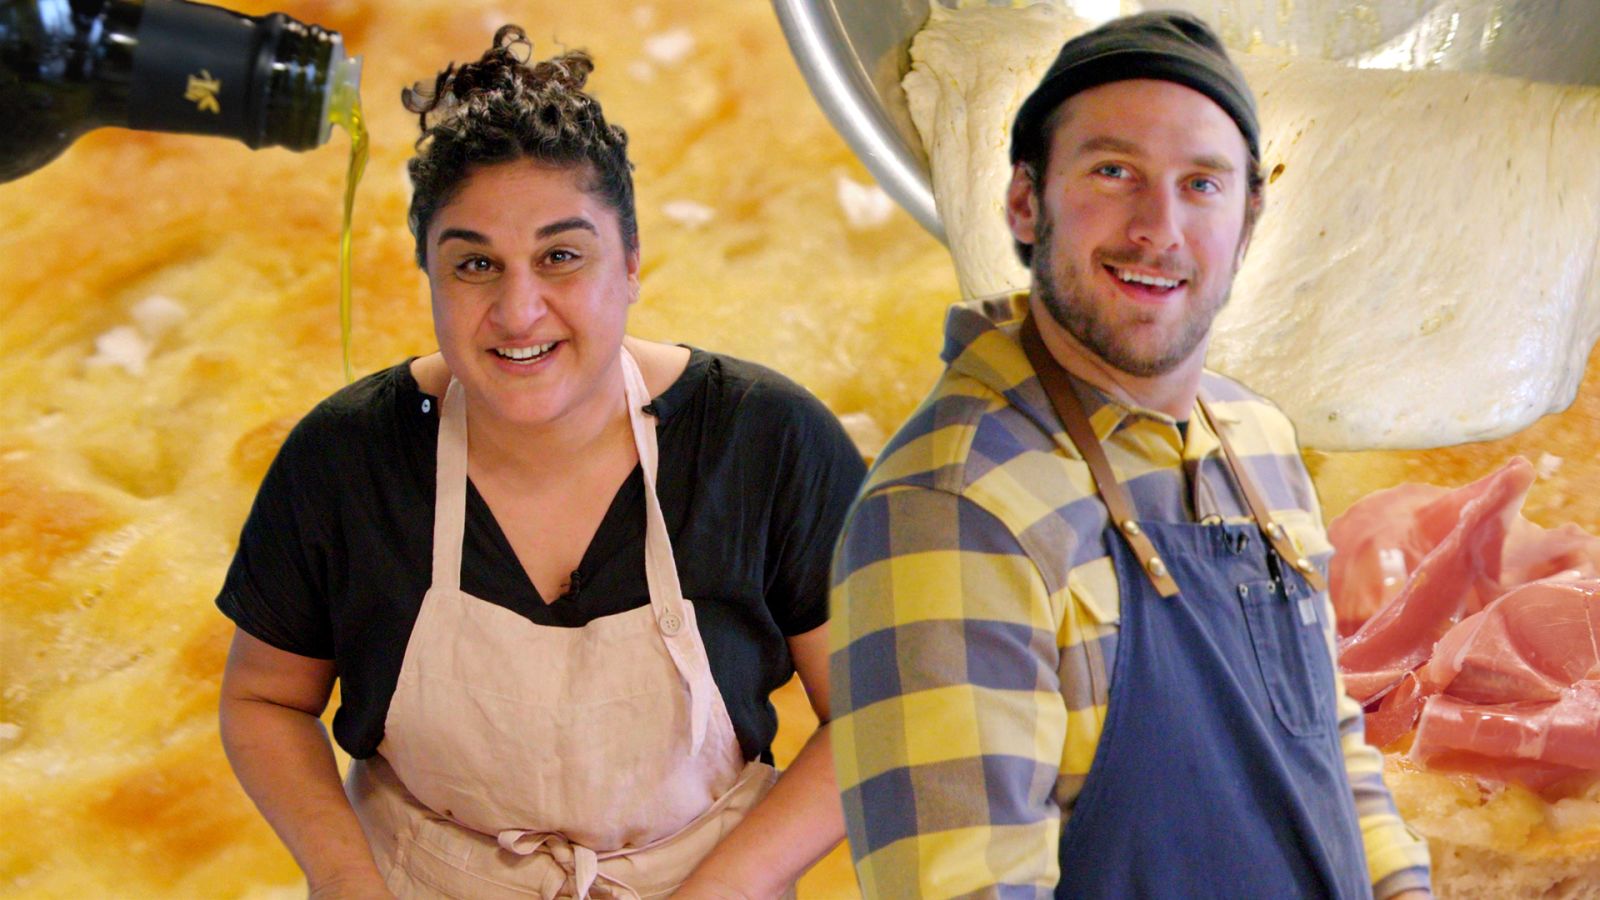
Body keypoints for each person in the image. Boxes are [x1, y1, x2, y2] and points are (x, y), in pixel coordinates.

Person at [216, 26, 862, 899]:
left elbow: (873, 712)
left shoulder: (764, 443)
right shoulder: (347, 459)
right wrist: (343, 877)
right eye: (475, 264)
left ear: (631, 264)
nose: (519, 311)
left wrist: (728, 888)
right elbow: (265, 702)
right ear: (430, 279)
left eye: (562, 256)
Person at [829, 12, 1433, 899]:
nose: (1159, 227)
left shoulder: (1254, 438)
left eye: (1201, 185)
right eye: (1114, 172)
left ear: (1250, 220)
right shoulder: (953, 506)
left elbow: (1328, 751)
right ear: (1025, 201)